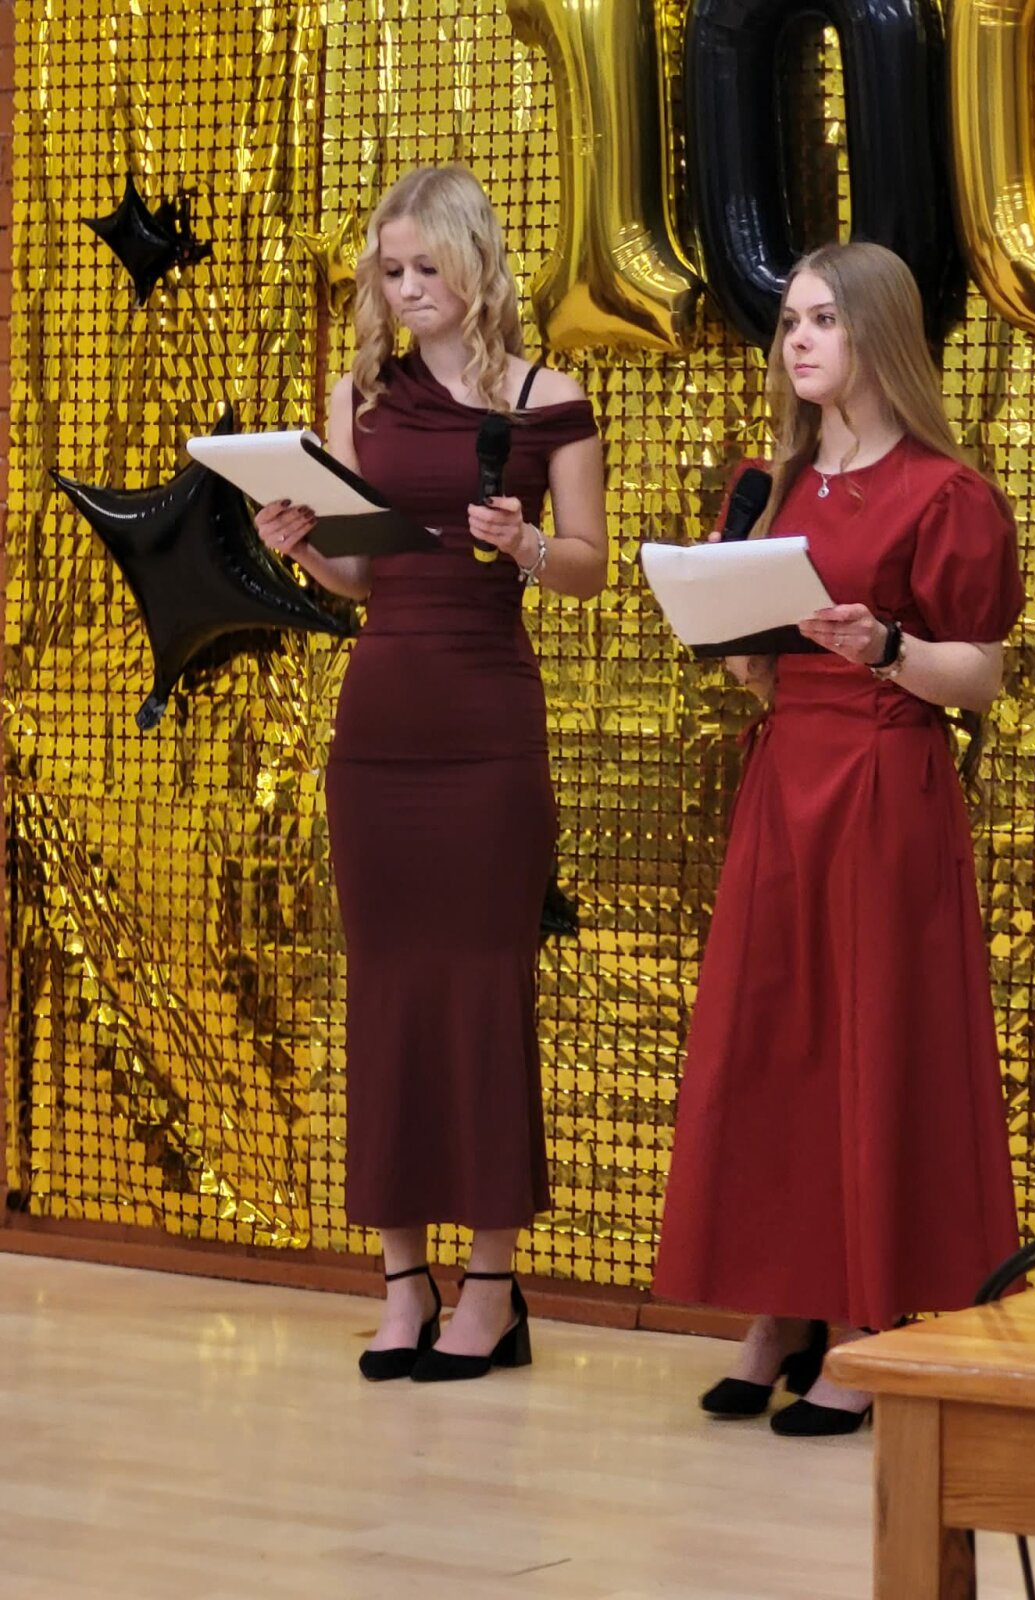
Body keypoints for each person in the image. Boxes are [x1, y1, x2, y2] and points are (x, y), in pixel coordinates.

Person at [652, 241, 1024, 1436]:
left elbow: (981, 675)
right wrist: (737, 640)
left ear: (877, 332)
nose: (798, 339)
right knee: (778, 1043)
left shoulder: (944, 493)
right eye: (790, 322)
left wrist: (887, 649)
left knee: (869, 1042)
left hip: (881, 783)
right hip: (787, 779)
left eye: (822, 319)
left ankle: (867, 1323)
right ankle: (782, 1310)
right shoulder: (771, 484)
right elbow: (760, 667)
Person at [255, 166, 607, 1382]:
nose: (405, 290)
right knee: (388, 991)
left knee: (483, 990)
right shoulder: (359, 397)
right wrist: (305, 548)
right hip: (381, 727)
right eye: (389, 271)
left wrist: (529, 543)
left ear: (475, 262)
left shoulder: (550, 400)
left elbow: (588, 567)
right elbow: (365, 578)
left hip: (489, 723)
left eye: (424, 268)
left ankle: (493, 1285)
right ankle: (403, 1279)